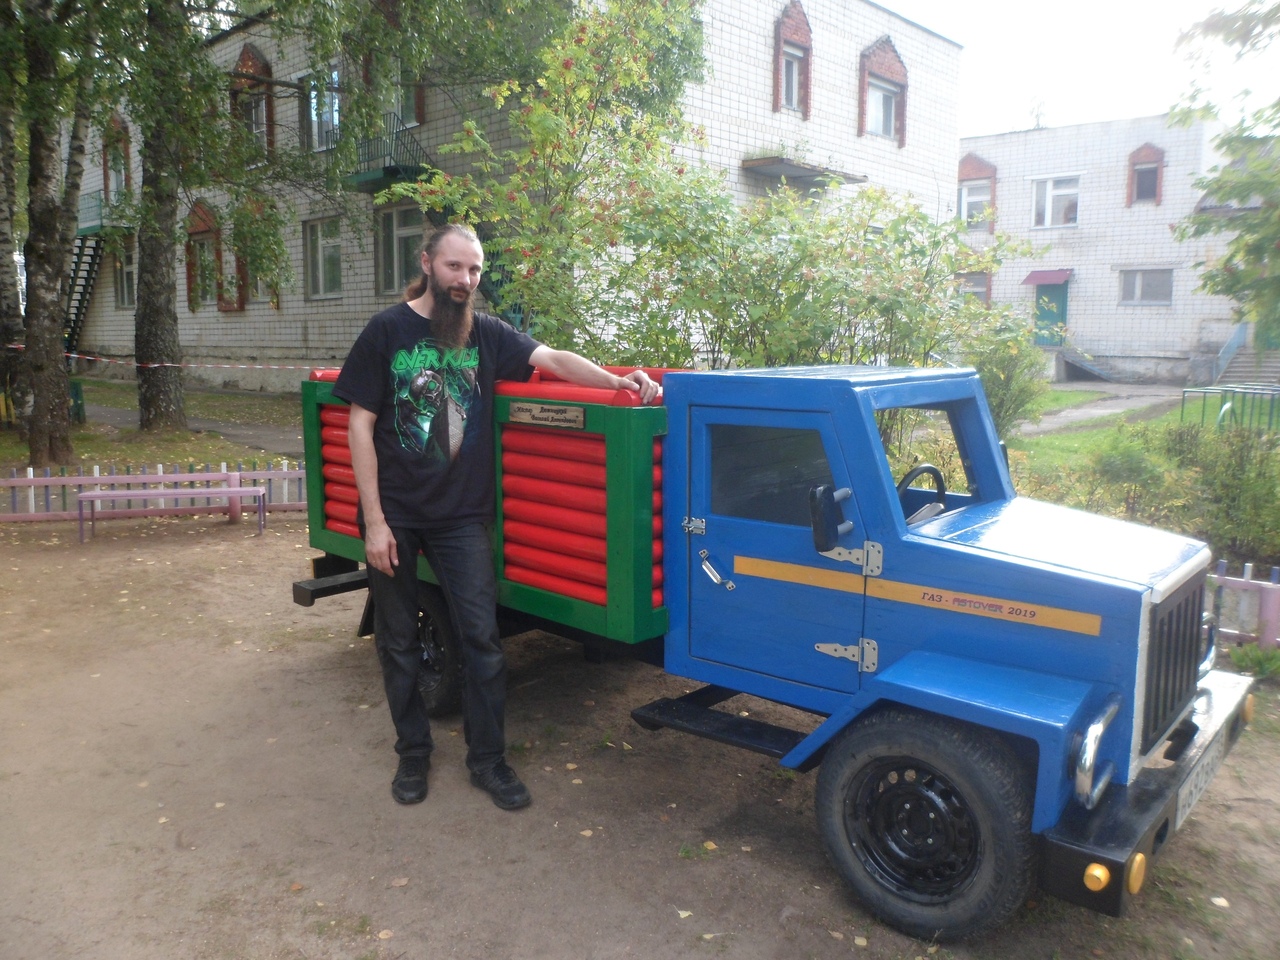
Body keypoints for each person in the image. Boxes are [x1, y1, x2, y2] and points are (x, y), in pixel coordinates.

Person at [333, 223, 659, 810]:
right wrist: (375, 522)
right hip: (397, 516)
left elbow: (553, 358)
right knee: (399, 641)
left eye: (476, 270)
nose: (466, 280)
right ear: (429, 263)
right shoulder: (387, 329)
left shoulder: (483, 333)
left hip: (460, 517)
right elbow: (359, 422)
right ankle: (413, 755)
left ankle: (488, 761)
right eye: (456, 267)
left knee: (482, 640)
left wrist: (620, 381)